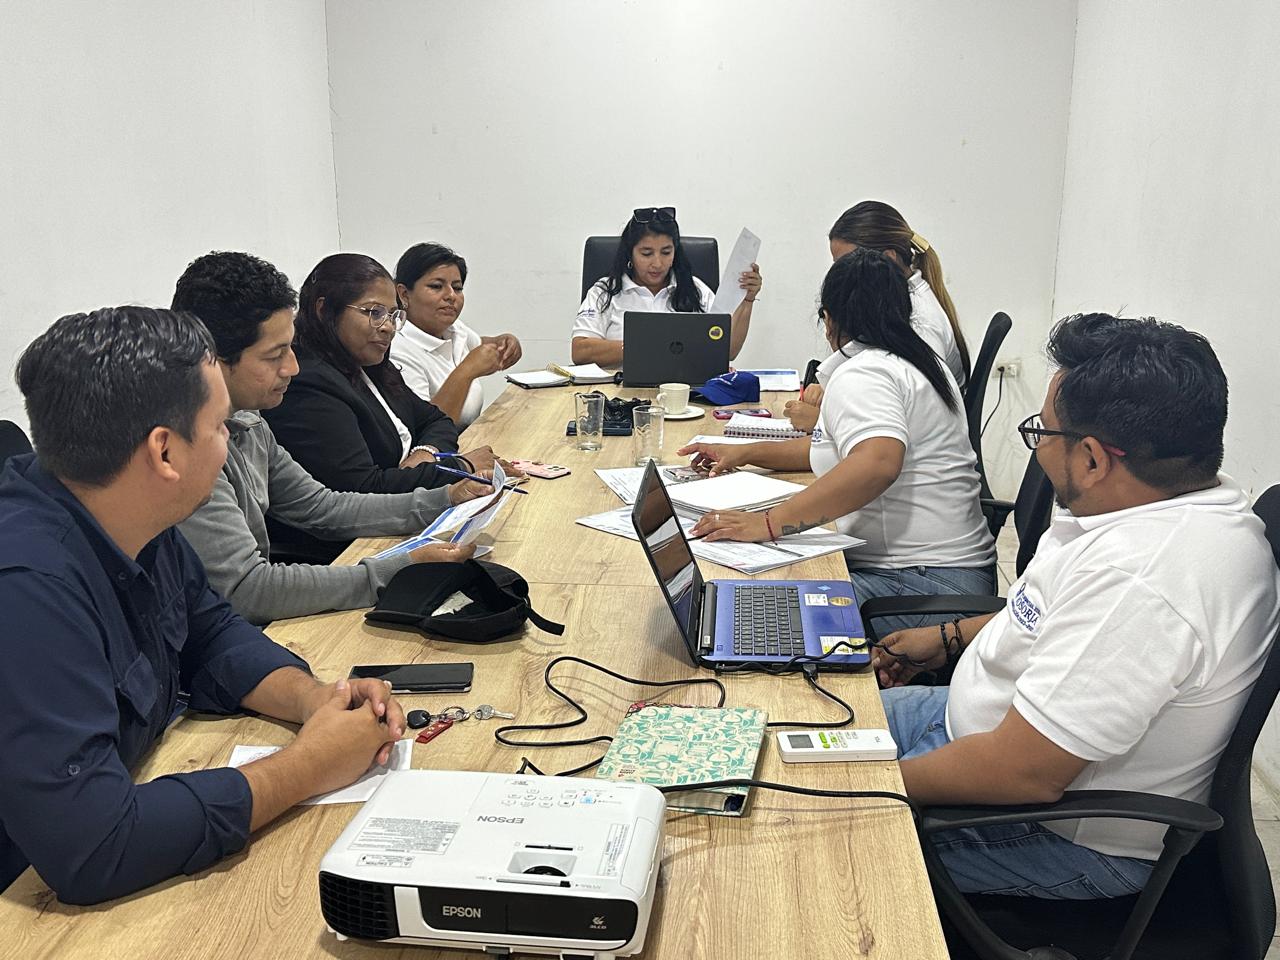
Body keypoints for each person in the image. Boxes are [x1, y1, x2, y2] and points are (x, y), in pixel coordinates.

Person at [0, 307, 406, 904]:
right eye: (220, 427)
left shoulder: (127, 507)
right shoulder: (27, 588)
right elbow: (95, 846)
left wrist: (312, 698)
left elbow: (210, 630)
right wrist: (310, 765)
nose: (229, 445)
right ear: (164, 453)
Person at [870, 313, 1280, 899]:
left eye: (1043, 431)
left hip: (1045, 825)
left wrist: (866, 786)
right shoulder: (1165, 497)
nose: (1039, 445)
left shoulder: (1143, 580)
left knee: (803, 839)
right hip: (974, 724)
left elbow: (1022, 774)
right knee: (793, 734)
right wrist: (951, 637)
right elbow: (1060, 615)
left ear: (1091, 458)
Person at [680, 249, 995, 622]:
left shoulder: (865, 372)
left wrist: (767, 524)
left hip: (920, 585)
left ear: (828, 320)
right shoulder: (917, 360)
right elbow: (833, 448)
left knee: (742, 613)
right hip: (946, 576)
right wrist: (744, 452)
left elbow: (876, 464)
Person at [171, 251, 483, 625]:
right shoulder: (185, 446)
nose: (292, 367)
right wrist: (399, 569)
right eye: (275, 356)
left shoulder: (249, 419)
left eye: (290, 348)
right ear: (212, 358)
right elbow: (247, 590)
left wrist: (445, 499)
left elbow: (321, 505)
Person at [263, 253, 504, 498]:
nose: (388, 327)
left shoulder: (371, 363)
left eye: (392, 315)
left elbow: (436, 419)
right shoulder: (307, 383)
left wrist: (425, 453)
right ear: (324, 310)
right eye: (374, 312)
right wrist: (462, 466)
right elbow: (363, 489)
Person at [787, 200, 967, 432]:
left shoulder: (922, 323)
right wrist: (828, 387)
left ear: (888, 259)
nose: (841, 273)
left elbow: (908, 416)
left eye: (848, 262)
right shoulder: (892, 305)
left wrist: (820, 422)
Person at [571, 206, 762, 367]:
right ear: (630, 253)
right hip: (619, 392)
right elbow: (580, 351)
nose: (657, 263)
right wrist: (646, 347)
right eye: (646, 253)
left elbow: (727, 350)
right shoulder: (605, 291)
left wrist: (747, 300)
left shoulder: (695, 289)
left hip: (685, 391)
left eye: (666, 252)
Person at [392, 242, 522, 428]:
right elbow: (427, 431)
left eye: (457, 288)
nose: (451, 296)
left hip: (471, 437)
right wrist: (466, 372)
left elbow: (477, 344)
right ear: (404, 294)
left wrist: (504, 342)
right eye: (436, 286)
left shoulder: (452, 329)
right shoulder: (396, 351)